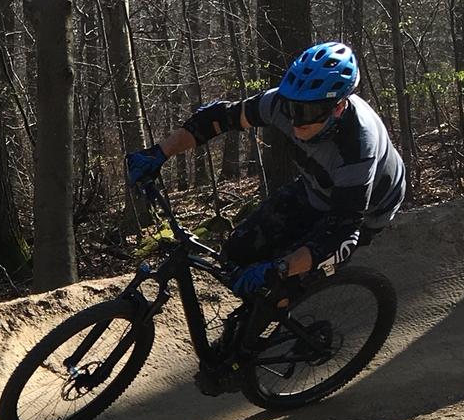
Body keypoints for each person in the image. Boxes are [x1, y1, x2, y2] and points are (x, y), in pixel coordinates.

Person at [125, 42, 406, 301]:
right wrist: (159, 153)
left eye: (307, 112)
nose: (295, 120)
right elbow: (218, 119)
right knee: (238, 250)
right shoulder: (282, 105)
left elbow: (341, 235)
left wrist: (280, 269)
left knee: (284, 284)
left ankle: (272, 333)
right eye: (293, 107)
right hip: (316, 187)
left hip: (367, 209)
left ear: (338, 108)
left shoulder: (357, 147)